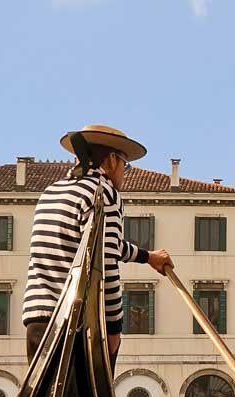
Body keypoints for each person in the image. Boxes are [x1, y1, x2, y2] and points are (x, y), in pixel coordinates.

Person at [23, 124, 172, 368]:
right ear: (112, 160)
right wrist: (113, 329)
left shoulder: (51, 192)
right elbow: (106, 263)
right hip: (75, 324)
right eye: (125, 165)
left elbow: (97, 245)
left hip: (37, 321)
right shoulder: (103, 193)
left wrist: (148, 257)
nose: (125, 173)